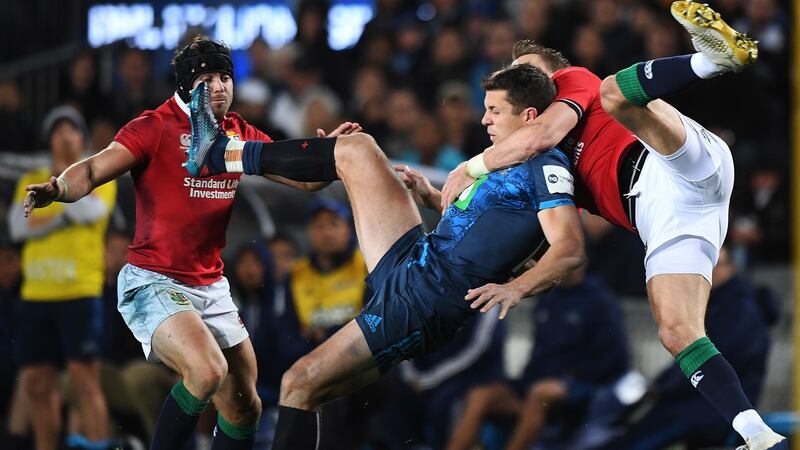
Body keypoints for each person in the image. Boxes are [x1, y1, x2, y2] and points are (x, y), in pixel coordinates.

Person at [185, 61, 585, 449]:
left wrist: (515, 288)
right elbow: (487, 230)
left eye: (495, 111)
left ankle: (222, 153)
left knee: (298, 383)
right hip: (416, 258)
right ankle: (224, 153)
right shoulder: (502, 160)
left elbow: (568, 248)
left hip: (422, 301)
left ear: (530, 116)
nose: (485, 121)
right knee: (357, 149)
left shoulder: (546, 166)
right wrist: (430, 197)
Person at [438, 3, 786, 449]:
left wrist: (471, 166)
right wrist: (431, 196)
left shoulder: (572, 83)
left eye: (528, 73)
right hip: (665, 216)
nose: (520, 83)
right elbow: (551, 233)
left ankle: (711, 60)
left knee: (614, 93)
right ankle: (758, 435)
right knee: (677, 332)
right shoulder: (538, 160)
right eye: (512, 77)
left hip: (669, 163)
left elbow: (540, 135)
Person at [22, 35, 360, 450]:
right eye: (208, 79)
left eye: (225, 77)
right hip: (153, 281)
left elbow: (305, 180)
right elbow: (92, 170)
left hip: (210, 286)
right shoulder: (154, 127)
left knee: (245, 407)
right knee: (205, 372)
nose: (219, 87)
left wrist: (330, 153)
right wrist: (58, 188)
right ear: (185, 86)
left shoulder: (237, 131)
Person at [8, 105, 116, 450]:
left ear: (81, 138)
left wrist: (52, 200)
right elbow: (17, 227)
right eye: (57, 130)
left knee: (85, 381)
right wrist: (61, 215)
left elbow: (91, 210)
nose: (64, 136)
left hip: (79, 291)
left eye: (71, 129)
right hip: (37, 293)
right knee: (37, 383)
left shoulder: (98, 173)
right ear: (50, 139)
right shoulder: (29, 180)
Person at [599, 246, 780, 450]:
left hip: (704, 409)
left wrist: (663, 387)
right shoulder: (717, 302)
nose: (706, 272)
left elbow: (713, 360)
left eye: (713, 266)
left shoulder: (739, 309)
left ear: (730, 268)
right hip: (696, 405)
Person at [446, 267, 630, 450]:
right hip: (535, 382)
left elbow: (616, 359)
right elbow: (539, 352)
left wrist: (573, 377)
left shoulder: (599, 300)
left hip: (579, 386)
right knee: (481, 394)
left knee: (540, 392)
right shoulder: (547, 298)